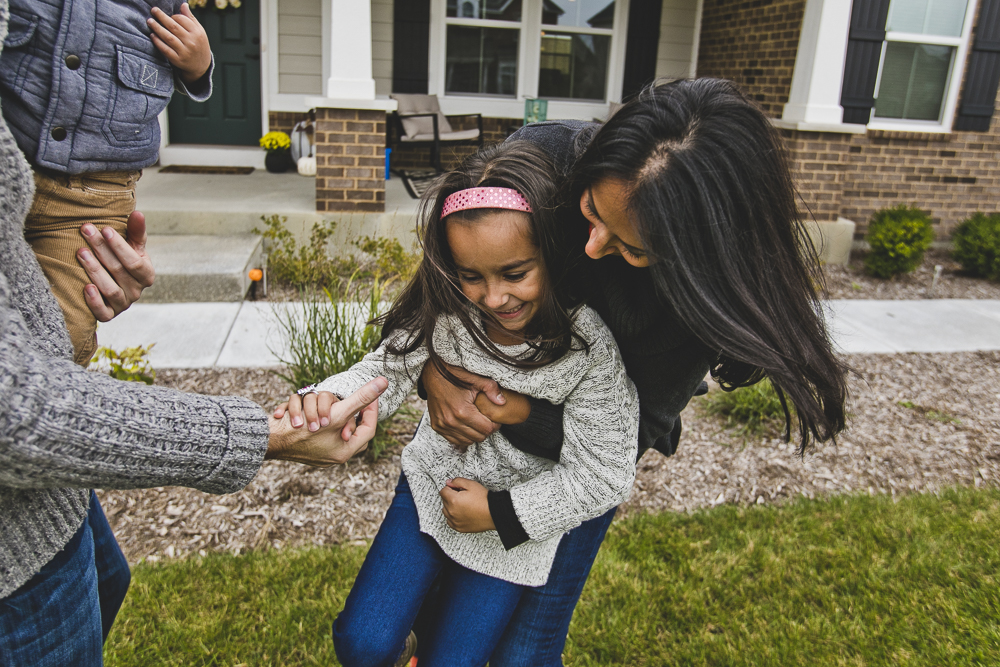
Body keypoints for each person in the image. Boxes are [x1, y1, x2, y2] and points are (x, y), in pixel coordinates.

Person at [419, 78, 851, 665]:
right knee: (446, 605)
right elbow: (441, 280)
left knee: (526, 645)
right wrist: (434, 372)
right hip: (476, 448)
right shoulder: (544, 156)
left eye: (632, 247)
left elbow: (614, 455)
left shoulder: (690, 312)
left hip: (575, 466)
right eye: (591, 211)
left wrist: (517, 413)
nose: (592, 247)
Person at [0, 8, 387, 659]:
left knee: (109, 574)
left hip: (47, 506)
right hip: (16, 568)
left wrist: (42, 293)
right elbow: (19, 408)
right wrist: (265, 434)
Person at [279, 141, 640, 667]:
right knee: (362, 642)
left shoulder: (589, 351)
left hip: (509, 536)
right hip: (426, 491)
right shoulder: (445, 307)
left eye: (515, 273)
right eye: (472, 276)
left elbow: (605, 475)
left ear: (553, 252)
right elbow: (387, 366)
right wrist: (329, 396)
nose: (493, 298)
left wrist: (499, 512)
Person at [0, 0, 213, 365]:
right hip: (11, 157)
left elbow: (180, 34)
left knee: (62, 337)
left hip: (93, 199)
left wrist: (199, 65)